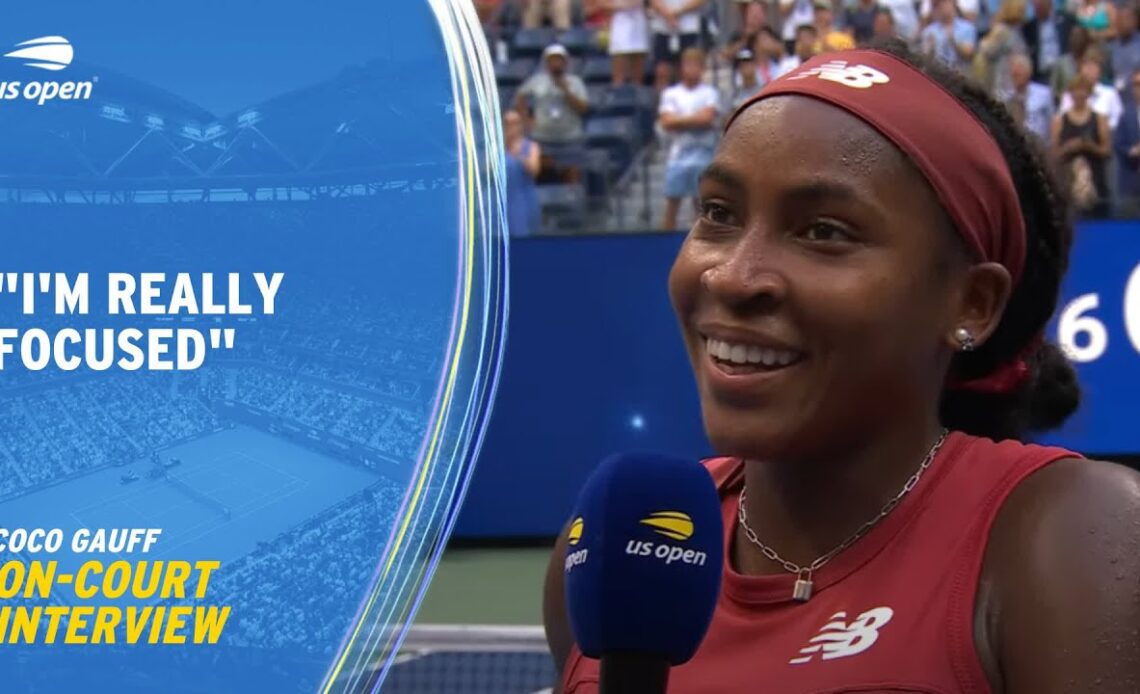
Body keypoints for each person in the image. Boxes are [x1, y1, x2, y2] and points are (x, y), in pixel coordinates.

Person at [546, 40, 1140, 693]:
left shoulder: (1070, 537)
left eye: (824, 230)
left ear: (971, 302)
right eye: (718, 213)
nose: (735, 276)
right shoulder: (609, 549)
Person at [658, 47, 721, 230]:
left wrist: (680, 120)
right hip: (678, 156)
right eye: (688, 64)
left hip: (704, 154)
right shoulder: (670, 94)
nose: (692, 68)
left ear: (702, 68)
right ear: (681, 67)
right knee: (672, 203)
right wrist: (695, 119)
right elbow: (666, 122)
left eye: (696, 65)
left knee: (700, 206)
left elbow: (707, 118)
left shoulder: (710, 93)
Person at [1054, 74, 1112, 217]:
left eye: (1083, 90)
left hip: (1096, 180)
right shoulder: (1059, 120)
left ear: (1089, 93)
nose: (1079, 94)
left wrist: (1090, 146)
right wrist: (1069, 147)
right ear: (1070, 93)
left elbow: (1107, 151)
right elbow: (1054, 154)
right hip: (1069, 182)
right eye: (1076, 90)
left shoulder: (1099, 119)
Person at [515, 44, 591, 145]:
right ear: (546, 63)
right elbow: (520, 96)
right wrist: (526, 119)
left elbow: (583, 109)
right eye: (552, 60)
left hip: (570, 138)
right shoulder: (537, 80)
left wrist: (566, 91)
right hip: (541, 138)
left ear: (565, 63)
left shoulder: (575, 82)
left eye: (559, 60)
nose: (556, 63)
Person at [975, 0, 1029, 95]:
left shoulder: (1018, 30)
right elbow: (985, 49)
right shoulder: (1002, 31)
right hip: (1003, 84)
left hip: (1015, 83)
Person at [503, 108, 542, 237]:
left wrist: (518, 155)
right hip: (502, 199)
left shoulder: (531, 146)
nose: (511, 127)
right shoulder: (495, 148)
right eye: (507, 123)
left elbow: (534, 170)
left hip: (523, 200)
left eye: (515, 123)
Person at [1002, 52, 1055, 143]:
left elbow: (1052, 120)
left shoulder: (1044, 94)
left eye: (1018, 75)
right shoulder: (1006, 97)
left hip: (1039, 145)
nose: (1015, 79)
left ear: (1028, 73)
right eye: (1013, 75)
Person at [1021, 0, 1076, 83]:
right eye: (1035, 8)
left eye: (1039, 8)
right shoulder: (1029, 27)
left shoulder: (1066, 19)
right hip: (1040, 73)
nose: (1037, 11)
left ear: (1049, 4)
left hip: (1063, 69)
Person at [600, 0, 650, 85]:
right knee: (618, 78)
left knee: (637, 80)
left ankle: (637, 97)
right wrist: (623, 6)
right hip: (620, 30)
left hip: (639, 28)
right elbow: (602, 4)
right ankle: (618, 96)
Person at [921, 0, 978, 73]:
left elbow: (969, 55)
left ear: (953, 2)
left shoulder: (967, 28)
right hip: (936, 74)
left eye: (944, 2)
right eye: (936, 5)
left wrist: (952, 41)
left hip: (960, 76)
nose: (941, 7)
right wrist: (930, 49)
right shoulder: (929, 31)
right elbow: (924, 59)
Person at [1113, 67, 1140, 212]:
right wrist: (1132, 150)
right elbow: (1118, 144)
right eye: (1136, 84)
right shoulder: (1125, 115)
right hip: (1131, 180)